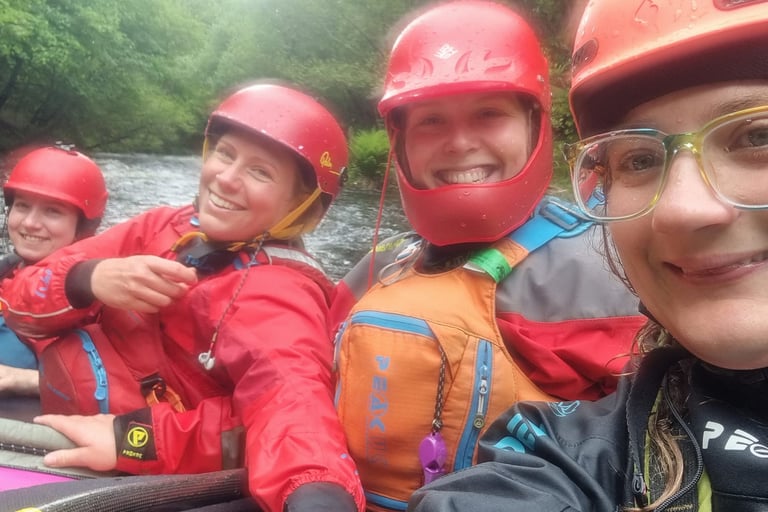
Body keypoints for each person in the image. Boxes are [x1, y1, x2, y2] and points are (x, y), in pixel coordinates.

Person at [408, 1, 768, 511]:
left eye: (759, 135)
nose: (681, 209)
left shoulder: (581, 275)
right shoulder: (381, 272)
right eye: (640, 159)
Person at [330, 1, 644, 510]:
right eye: (431, 121)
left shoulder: (611, 273)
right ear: (401, 143)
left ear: (535, 126)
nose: (458, 142)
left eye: (488, 114)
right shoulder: (375, 271)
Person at [0, 83, 365, 512]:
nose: (225, 178)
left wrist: (132, 441)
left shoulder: (281, 295)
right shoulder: (162, 226)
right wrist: (87, 278)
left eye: (260, 172)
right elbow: (19, 298)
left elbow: (291, 408)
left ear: (301, 205)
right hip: (70, 414)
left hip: (133, 460)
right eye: (225, 154)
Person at [0, 146, 108, 396]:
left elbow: (122, 386)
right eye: (23, 206)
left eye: (53, 211)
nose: (30, 223)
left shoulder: (99, 299)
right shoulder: (7, 271)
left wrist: (27, 380)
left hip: (32, 424)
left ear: (84, 226)